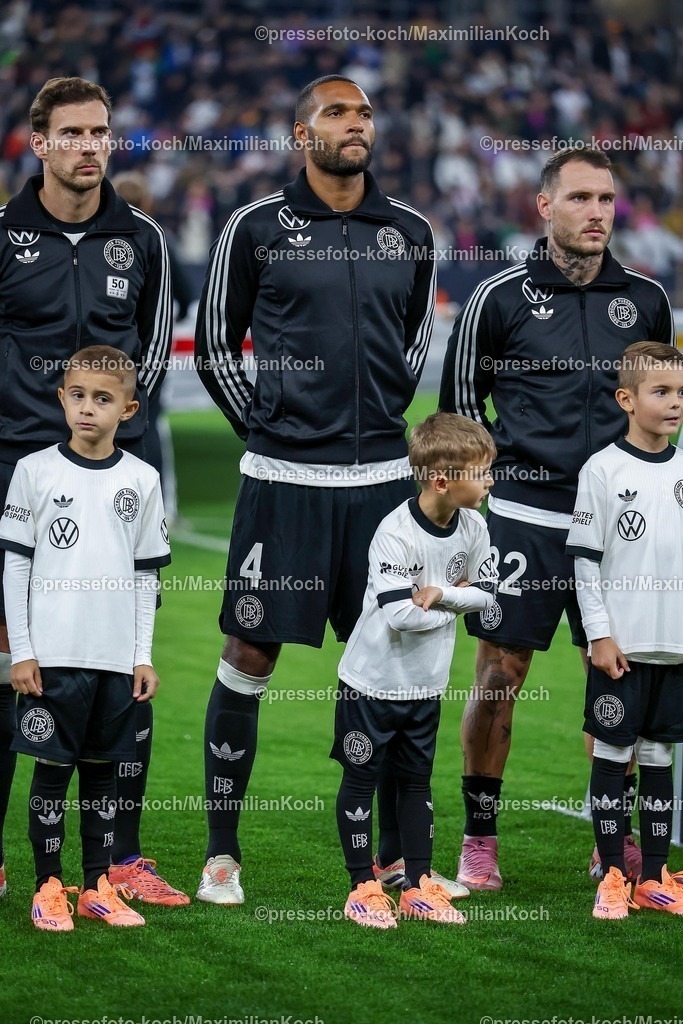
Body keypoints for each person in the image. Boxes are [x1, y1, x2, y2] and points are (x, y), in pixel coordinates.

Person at [194, 75, 440, 904]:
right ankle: (221, 854)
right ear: (304, 134)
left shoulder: (408, 230)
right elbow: (217, 348)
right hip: (284, 484)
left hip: (381, 490)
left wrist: (379, 422)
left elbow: (415, 340)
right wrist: (273, 429)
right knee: (249, 654)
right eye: (337, 112)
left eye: (364, 112)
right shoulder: (255, 227)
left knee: (393, 663)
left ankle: (401, 861)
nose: (356, 124)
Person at [439, 147, 675, 890]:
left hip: (618, 523)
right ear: (543, 207)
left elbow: (660, 402)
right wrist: (483, 493)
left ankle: (615, 840)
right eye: (579, 199)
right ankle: (479, 840)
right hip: (523, 517)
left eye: (605, 199)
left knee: (619, 670)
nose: (596, 213)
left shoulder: (645, 298)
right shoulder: (497, 296)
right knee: (500, 674)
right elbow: (459, 406)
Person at [0, 77, 186, 905]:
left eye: (100, 133)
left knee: (121, 665)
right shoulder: (4, 234)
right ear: (38, 142)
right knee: (12, 662)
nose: (88, 146)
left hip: (114, 486)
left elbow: (149, 355)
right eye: (71, 133)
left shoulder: (140, 239)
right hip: (13, 470)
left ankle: (119, 862)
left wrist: (110, 445)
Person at [0, 346, 171, 929]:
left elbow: (147, 574)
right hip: (53, 659)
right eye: (77, 396)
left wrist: (142, 657)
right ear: (61, 399)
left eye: (103, 399)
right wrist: (22, 650)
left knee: (103, 775)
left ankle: (97, 885)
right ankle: (48, 886)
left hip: (115, 660)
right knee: (51, 774)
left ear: (128, 408)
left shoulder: (142, 479)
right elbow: (15, 567)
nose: (87, 408)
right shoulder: (35, 471)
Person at [333, 413, 497, 929]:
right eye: (482, 471)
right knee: (361, 782)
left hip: (426, 685)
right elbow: (397, 613)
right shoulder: (395, 533)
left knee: (417, 783)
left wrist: (443, 594)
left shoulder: (474, 526)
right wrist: (456, 601)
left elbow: (488, 595)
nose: (490, 480)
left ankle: (418, 884)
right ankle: (362, 885)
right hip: (371, 684)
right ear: (442, 479)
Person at [566, 341, 683, 918]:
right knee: (614, 753)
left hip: (676, 646)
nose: (675, 402)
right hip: (623, 647)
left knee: (660, 754)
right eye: (661, 392)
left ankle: (656, 876)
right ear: (627, 400)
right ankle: (612, 873)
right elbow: (585, 562)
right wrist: (598, 636)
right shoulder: (603, 469)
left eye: (681, 392)